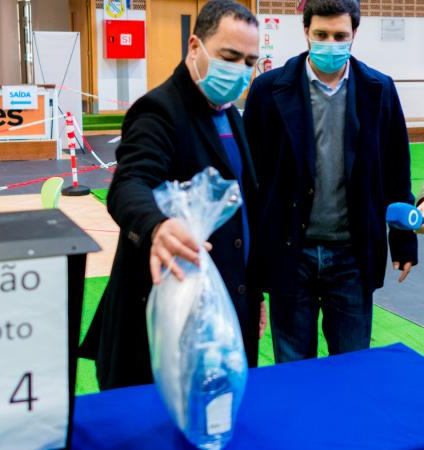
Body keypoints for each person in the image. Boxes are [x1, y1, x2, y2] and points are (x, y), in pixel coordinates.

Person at [80, 0, 264, 390]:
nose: (240, 71)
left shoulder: (230, 113)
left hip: (222, 308)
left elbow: (244, 207)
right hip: (165, 314)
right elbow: (129, 184)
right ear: (194, 47)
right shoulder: (159, 110)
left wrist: (254, 294)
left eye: (250, 62)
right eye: (230, 56)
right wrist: (157, 225)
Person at [243, 0, 418, 363]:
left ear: (355, 33)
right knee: (294, 370)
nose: (330, 43)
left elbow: (397, 171)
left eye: (340, 35)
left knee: (352, 367)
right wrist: (252, 263)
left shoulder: (379, 90)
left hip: (353, 255)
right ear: (305, 30)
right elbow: (251, 180)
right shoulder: (268, 90)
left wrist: (403, 243)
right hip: (291, 251)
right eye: (321, 34)